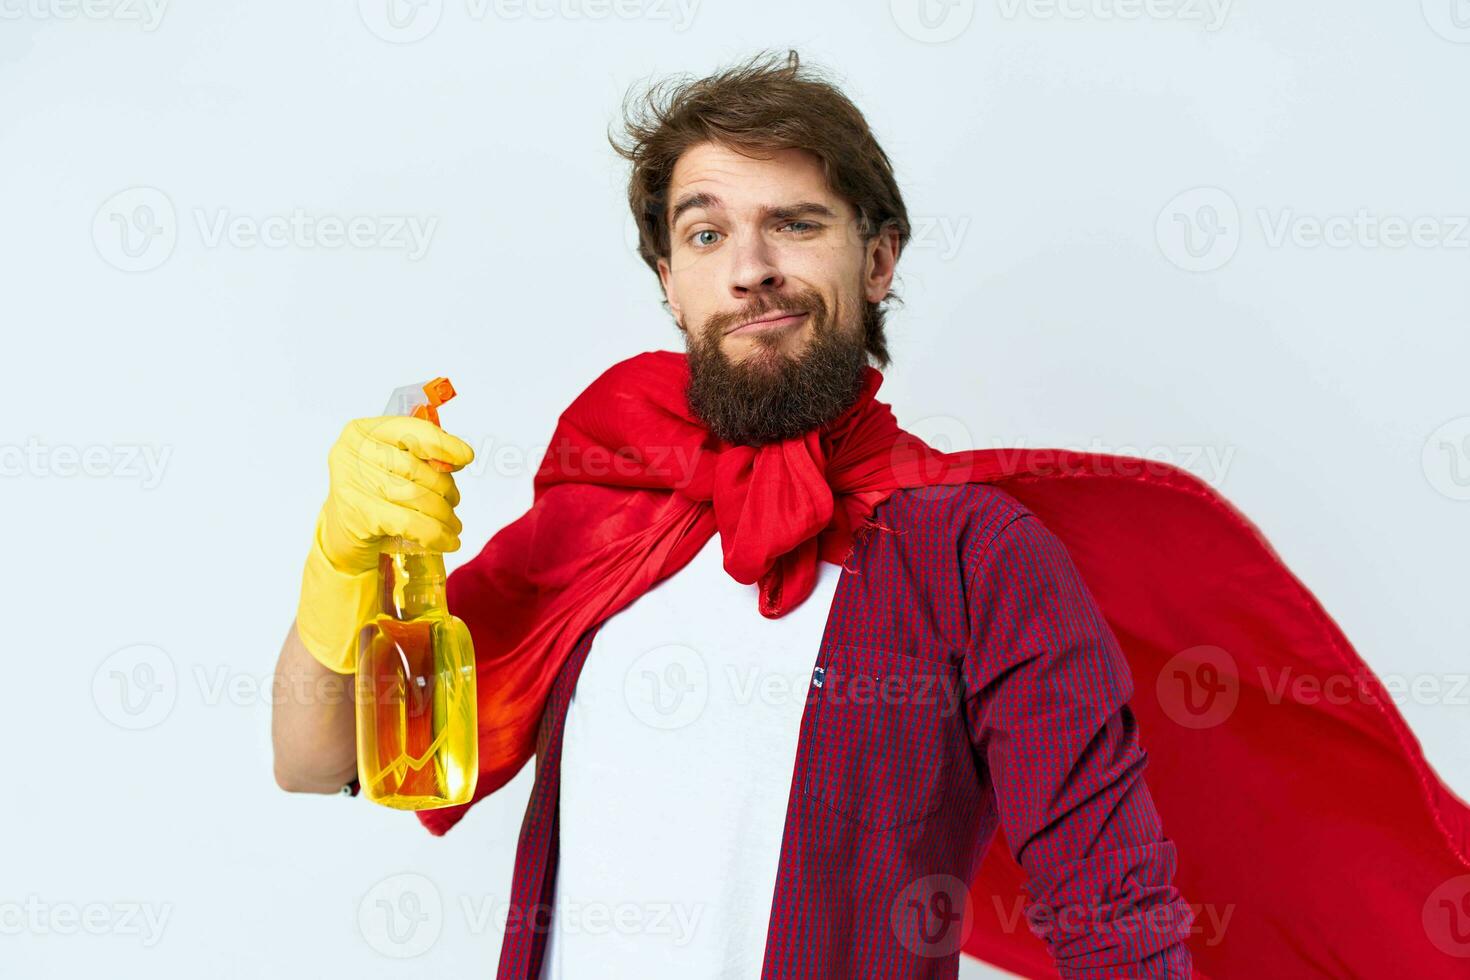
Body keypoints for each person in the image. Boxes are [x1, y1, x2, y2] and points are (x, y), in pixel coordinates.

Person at [271, 49, 1196, 978]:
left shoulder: (980, 560)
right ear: (669, 279)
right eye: (706, 235)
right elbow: (316, 758)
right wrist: (341, 565)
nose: (751, 269)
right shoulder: (607, 512)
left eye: (794, 224)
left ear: (877, 260)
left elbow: (1117, 917)